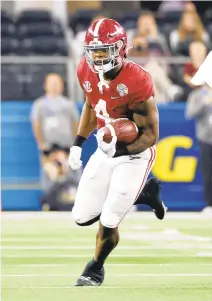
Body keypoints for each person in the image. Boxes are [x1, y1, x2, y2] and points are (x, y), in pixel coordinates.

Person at [68, 18, 167, 286]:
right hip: (106, 148)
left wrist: (119, 148)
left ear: (121, 48)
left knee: (110, 216)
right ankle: (144, 193)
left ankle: (94, 269)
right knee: (81, 217)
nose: (98, 58)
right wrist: (78, 142)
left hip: (135, 153)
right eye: (94, 51)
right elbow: (91, 106)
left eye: (104, 51)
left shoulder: (137, 80)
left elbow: (150, 135)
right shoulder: (84, 71)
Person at [31, 73, 79, 191]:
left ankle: (75, 200)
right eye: (52, 83)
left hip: (67, 146)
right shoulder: (39, 104)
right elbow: (36, 124)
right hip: (48, 147)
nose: (54, 86)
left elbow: (75, 123)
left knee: (73, 172)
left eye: (57, 83)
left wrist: (75, 143)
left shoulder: (69, 104)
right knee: (49, 173)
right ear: (45, 85)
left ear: (62, 86)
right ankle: (49, 201)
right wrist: (41, 144)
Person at [186, 51, 212, 216]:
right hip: (205, 139)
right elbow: (190, 113)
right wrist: (204, 102)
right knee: (208, 172)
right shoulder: (198, 95)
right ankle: (210, 204)